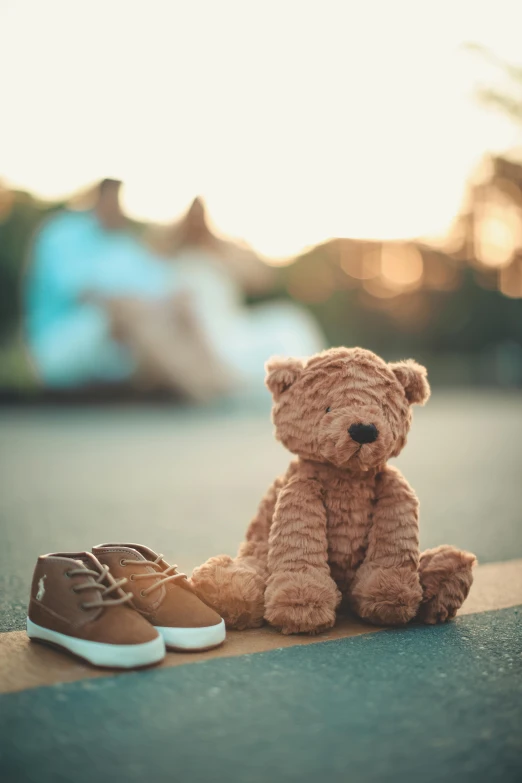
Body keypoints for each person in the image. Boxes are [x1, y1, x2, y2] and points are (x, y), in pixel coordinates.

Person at [24, 181, 233, 401]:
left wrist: (173, 300)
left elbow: (160, 286)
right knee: (125, 307)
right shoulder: (63, 233)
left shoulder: (123, 244)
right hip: (59, 345)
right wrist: (140, 304)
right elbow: (81, 292)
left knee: (180, 301)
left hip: (111, 346)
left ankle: (220, 378)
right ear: (98, 198)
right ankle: (195, 389)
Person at [150, 198, 325, 389]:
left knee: (289, 322)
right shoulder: (177, 263)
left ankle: (314, 382)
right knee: (285, 333)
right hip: (213, 339)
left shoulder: (221, 257)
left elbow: (263, 278)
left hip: (235, 326)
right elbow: (184, 314)